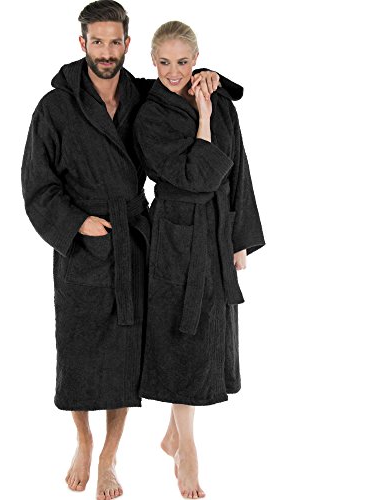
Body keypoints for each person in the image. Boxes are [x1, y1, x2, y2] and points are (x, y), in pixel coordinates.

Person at [21, 3, 223, 499]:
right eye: (98, 42)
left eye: (115, 42)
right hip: (83, 244)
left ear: (128, 44)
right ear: (83, 44)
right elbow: (37, 183)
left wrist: (210, 77)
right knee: (79, 350)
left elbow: (177, 78)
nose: (107, 52)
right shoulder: (55, 107)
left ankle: (109, 458)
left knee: (124, 357)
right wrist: (76, 222)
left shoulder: (142, 94)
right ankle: (83, 441)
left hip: (134, 237)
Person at [133, 21, 266, 499]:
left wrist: (239, 238)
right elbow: (196, 176)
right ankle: (187, 448)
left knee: (207, 332)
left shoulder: (219, 99)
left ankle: (174, 436)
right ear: (152, 62)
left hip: (214, 232)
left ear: (196, 59)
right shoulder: (149, 116)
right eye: (164, 62)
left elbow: (239, 168)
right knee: (181, 337)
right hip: (174, 235)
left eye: (183, 62)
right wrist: (204, 118)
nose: (174, 72)